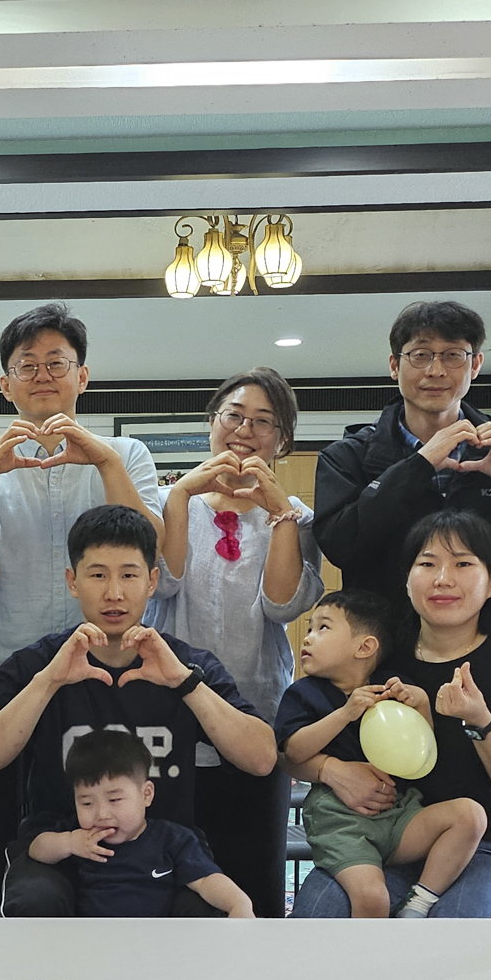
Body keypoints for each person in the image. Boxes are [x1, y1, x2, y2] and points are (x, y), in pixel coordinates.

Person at [0, 504, 276, 917]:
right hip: (62, 849)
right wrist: (49, 681)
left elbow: (261, 758)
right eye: (97, 575)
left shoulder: (183, 664)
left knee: (204, 911)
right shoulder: (38, 665)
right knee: (36, 901)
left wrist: (184, 683)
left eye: (129, 575)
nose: (114, 593)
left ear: (152, 581)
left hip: (166, 853)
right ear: (73, 582)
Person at [0, 303, 160, 912]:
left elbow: (155, 557)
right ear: (5, 384)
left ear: (82, 376)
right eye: (27, 365)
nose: (42, 376)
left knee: (123, 847)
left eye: (57, 363)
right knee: (13, 853)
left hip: (115, 679)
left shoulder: (127, 454)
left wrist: (104, 461)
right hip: (12, 680)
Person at [289, 511, 491, 918]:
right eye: (428, 564)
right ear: (407, 579)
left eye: (463, 564)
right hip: (386, 839)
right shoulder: (375, 658)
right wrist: (331, 770)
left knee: (460, 932)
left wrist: (479, 722)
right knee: (320, 915)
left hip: (490, 849)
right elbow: (292, 750)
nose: (443, 579)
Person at [158, 367, 323, 917]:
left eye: (263, 422)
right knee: (171, 881)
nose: (245, 431)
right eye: (234, 416)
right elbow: (165, 581)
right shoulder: (168, 500)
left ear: (282, 439)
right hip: (171, 718)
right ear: (212, 422)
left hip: (257, 715)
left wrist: (280, 514)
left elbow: (282, 604)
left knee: (253, 882)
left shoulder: (297, 518)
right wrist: (182, 494)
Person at [313, 300, 491, 636]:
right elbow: (341, 548)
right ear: (394, 365)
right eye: (420, 355)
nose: (436, 371)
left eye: (453, 355)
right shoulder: (347, 457)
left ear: (475, 365)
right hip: (378, 653)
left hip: (486, 653)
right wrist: (418, 466)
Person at [276, 591, 486, 918]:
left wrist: (421, 704)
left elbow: (421, 757)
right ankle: (371, 952)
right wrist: (344, 714)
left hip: (399, 811)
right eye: (310, 628)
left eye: (323, 628)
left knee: (471, 816)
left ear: (365, 647)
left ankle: (417, 906)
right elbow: (294, 750)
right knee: (373, 897)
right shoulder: (303, 693)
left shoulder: (392, 687)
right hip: (340, 819)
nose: (308, 638)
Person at [19, 730, 254, 918]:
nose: (102, 814)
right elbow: (37, 849)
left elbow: (205, 880)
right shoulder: (82, 836)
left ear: (146, 794)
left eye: (114, 800)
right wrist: (69, 843)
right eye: (87, 803)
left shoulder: (170, 838)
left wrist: (238, 903)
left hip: (156, 941)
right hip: (92, 941)